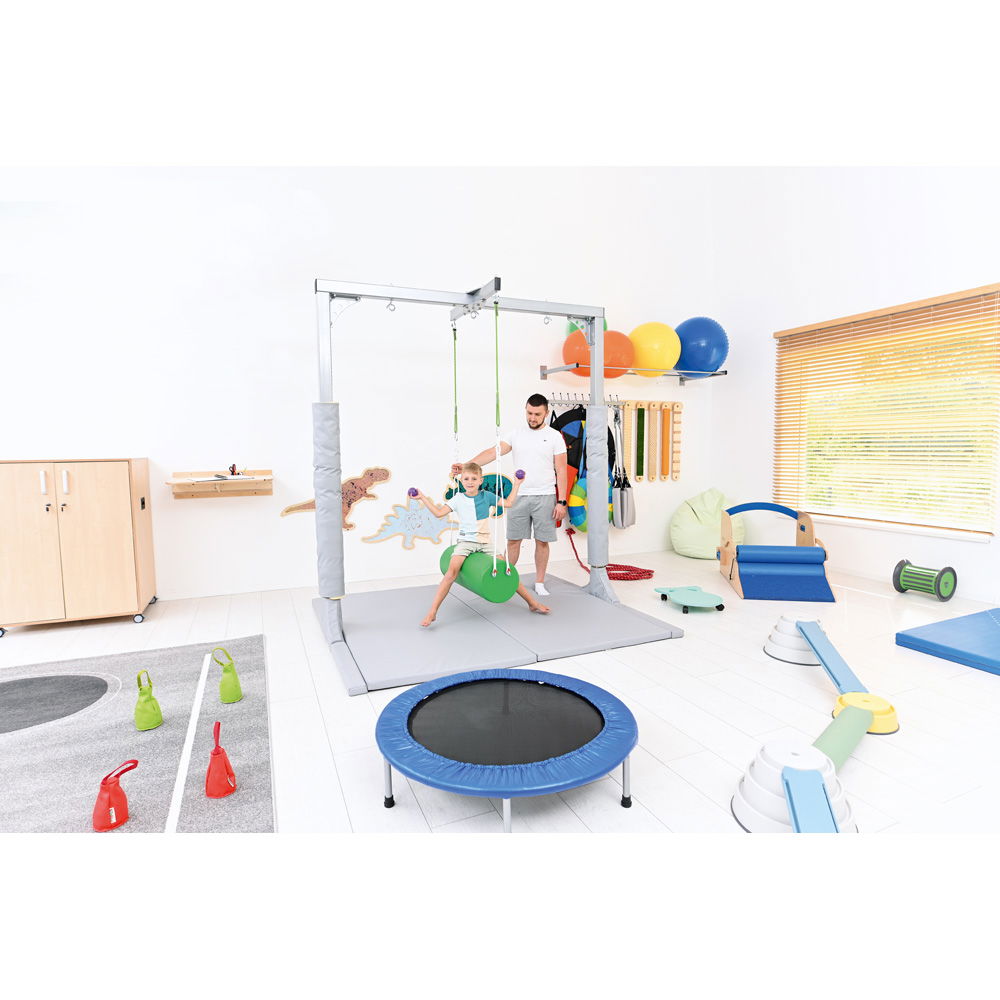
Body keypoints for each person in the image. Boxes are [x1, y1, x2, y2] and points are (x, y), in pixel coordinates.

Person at [453, 393, 567, 597]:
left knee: (542, 541)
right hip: (518, 496)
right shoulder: (516, 434)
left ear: (546, 413)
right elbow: (492, 452)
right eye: (529, 413)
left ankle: (539, 582)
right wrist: (467, 465)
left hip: (545, 495)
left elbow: (562, 470)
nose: (532, 418)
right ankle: (505, 579)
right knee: (513, 540)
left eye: (537, 414)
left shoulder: (554, 437)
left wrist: (562, 501)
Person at [413, 462, 550, 628]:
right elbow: (438, 513)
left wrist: (517, 484)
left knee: (506, 571)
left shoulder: (487, 496)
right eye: (466, 479)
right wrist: (422, 498)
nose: (470, 482)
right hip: (466, 542)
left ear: (480, 480)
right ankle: (433, 611)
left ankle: (532, 603)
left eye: (473, 478)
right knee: (451, 573)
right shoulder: (458, 498)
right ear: (461, 480)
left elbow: (509, 503)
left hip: (485, 543)